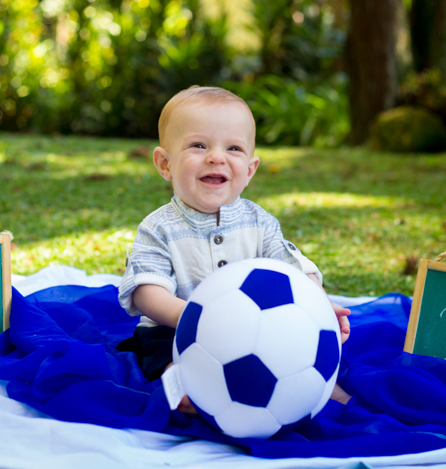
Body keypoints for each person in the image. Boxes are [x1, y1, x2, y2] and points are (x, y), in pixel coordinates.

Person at [117, 86, 351, 410]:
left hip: (254, 327)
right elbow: (146, 291)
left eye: (233, 148)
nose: (216, 156)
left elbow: (294, 268)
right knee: (160, 352)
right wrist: (193, 316)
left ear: (250, 170)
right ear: (165, 164)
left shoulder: (260, 222)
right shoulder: (159, 227)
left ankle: (320, 388)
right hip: (175, 328)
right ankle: (182, 386)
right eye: (198, 145)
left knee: (294, 350)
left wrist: (321, 305)